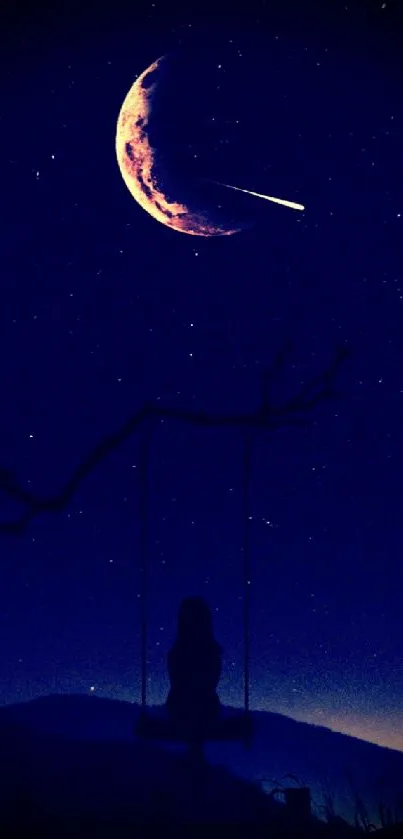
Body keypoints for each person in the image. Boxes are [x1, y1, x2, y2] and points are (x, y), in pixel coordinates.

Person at [166, 597, 222, 731]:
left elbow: (178, 682)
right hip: (204, 709)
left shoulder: (177, 652)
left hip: (180, 709)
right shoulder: (212, 652)